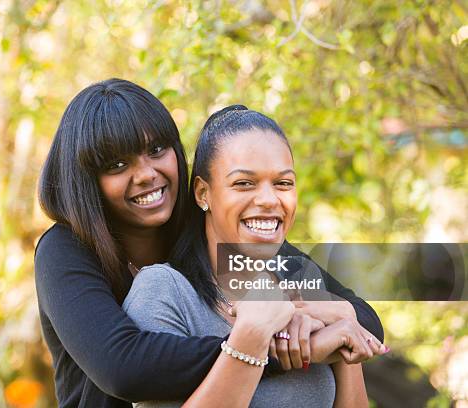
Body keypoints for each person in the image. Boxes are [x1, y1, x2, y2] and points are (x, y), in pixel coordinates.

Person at [35, 80, 384, 407]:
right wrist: (271, 344)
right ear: (88, 181)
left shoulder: (212, 229)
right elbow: (123, 368)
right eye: (118, 164)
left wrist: (316, 315)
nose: (145, 174)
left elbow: (362, 320)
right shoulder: (65, 251)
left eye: (156, 150)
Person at [122, 105, 387, 407]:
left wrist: (341, 325)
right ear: (202, 193)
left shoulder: (302, 282)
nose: (268, 199)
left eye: (283, 183)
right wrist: (254, 333)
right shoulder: (163, 291)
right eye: (244, 183)